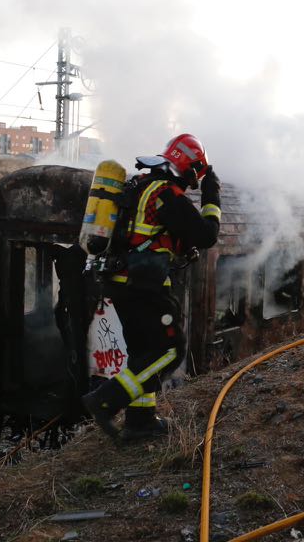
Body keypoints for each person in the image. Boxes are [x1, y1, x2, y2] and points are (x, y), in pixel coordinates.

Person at [81, 133, 221, 443]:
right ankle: (105, 400)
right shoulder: (166, 195)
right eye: (196, 176)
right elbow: (207, 236)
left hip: (121, 283)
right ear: (189, 168)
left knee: (143, 352)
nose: (193, 183)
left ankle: (140, 422)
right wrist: (213, 196)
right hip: (145, 288)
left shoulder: (140, 185)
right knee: (170, 351)